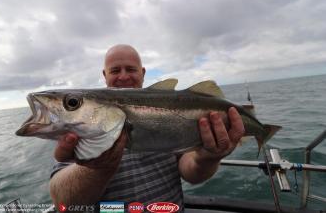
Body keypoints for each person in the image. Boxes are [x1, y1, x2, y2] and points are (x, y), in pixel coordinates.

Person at [49, 44, 245, 212]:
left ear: (143, 73)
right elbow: (63, 203)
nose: (124, 77)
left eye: (131, 69)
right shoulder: (81, 125)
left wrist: (208, 158)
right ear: (104, 75)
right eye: (115, 70)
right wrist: (98, 168)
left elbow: (191, 173)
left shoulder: (167, 111)